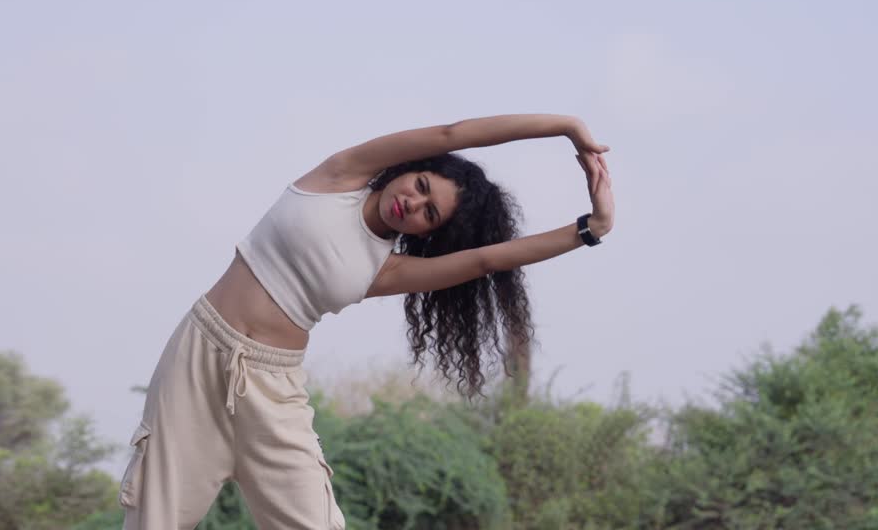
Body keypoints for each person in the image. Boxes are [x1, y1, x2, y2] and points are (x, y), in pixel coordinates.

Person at [118, 114, 615, 529]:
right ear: (410, 170)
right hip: (198, 355)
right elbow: (452, 135)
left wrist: (590, 230)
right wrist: (564, 125)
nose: (414, 203)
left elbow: (487, 260)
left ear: (429, 233)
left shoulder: (387, 269)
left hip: (272, 391)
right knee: (152, 516)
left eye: (429, 214)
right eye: (421, 186)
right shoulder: (340, 175)